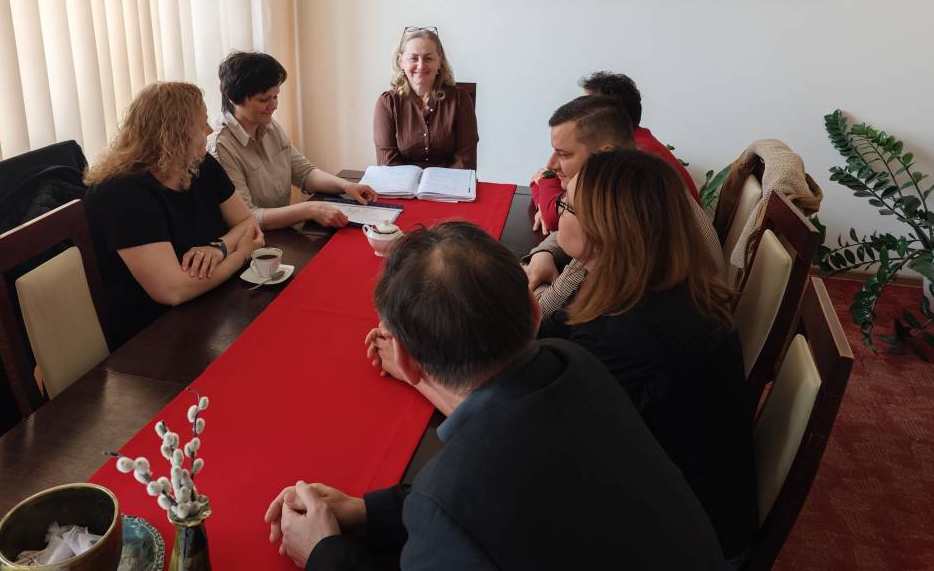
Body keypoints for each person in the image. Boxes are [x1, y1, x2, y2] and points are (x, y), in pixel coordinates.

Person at [264, 222, 725, 571]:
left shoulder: (452, 498)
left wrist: (322, 551)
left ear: (405, 361)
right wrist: (366, 511)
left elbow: (466, 505)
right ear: (534, 311)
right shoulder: (575, 364)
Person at [544, 149, 757, 562]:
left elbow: (545, 433)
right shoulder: (641, 279)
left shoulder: (631, 331)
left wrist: (431, 376)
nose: (557, 216)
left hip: (684, 543)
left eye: (565, 206)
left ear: (601, 232)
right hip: (669, 491)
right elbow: (552, 331)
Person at [84, 82, 265, 344]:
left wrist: (219, 248)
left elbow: (246, 221)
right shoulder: (121, 193)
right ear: (174, 134)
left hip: (208, 305)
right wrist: (241, 254)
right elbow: (173, 290)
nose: (209, 130)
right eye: (201, 124)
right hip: (150, 335)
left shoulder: (199, 164)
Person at [523, 96, 724, 295]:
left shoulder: (627, 215)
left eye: (564, 154)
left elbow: (542, 308)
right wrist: (545, 253)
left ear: (605, 154)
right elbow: (571, 226)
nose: (550, 164)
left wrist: (532, 273)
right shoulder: (640, 187)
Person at [212, 51, 378, 229]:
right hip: (256, 240)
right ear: (233, 98)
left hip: (284, 231)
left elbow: (305, 173)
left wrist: (346, 186)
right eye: (263, 99)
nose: (274, 105)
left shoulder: (270, 126)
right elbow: (248, 217)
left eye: (276, 96)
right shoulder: (221, 147)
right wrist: (309, 209)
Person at [530, 72, 698, 235]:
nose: (578, 109)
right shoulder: (636, 143)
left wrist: (544, 181)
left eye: (587, 105)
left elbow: (555, 217)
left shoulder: (633, 164)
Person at [373, 27, 477, 169]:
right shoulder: (387, 103)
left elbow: (465, 160)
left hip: (450, 181)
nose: (421, 65)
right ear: (401, 62)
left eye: (428, 58)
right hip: (402, 182)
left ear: (439, 61)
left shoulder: (460, 100)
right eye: (413, 58)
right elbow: (388, 163)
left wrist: (439, 182)